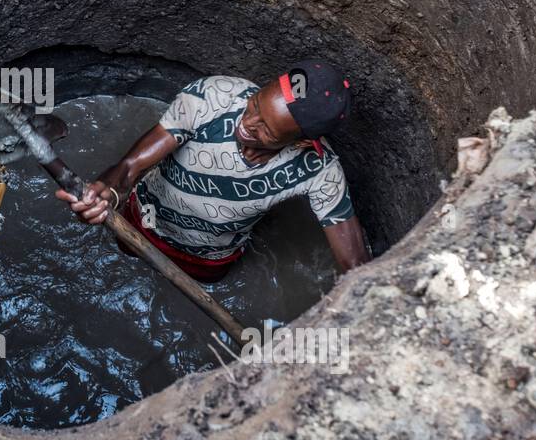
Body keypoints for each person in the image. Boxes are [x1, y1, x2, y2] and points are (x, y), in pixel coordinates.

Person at [58, 60, 370, 282]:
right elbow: (129, 168)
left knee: (194, 297)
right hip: (142, 222)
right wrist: (107, 193)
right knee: (126, 260)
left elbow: (356, 267)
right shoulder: (212, 97)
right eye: (255, 106)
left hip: (209, 258)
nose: (247, 125)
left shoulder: (318, 169)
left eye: (266, 131)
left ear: (301, 141)